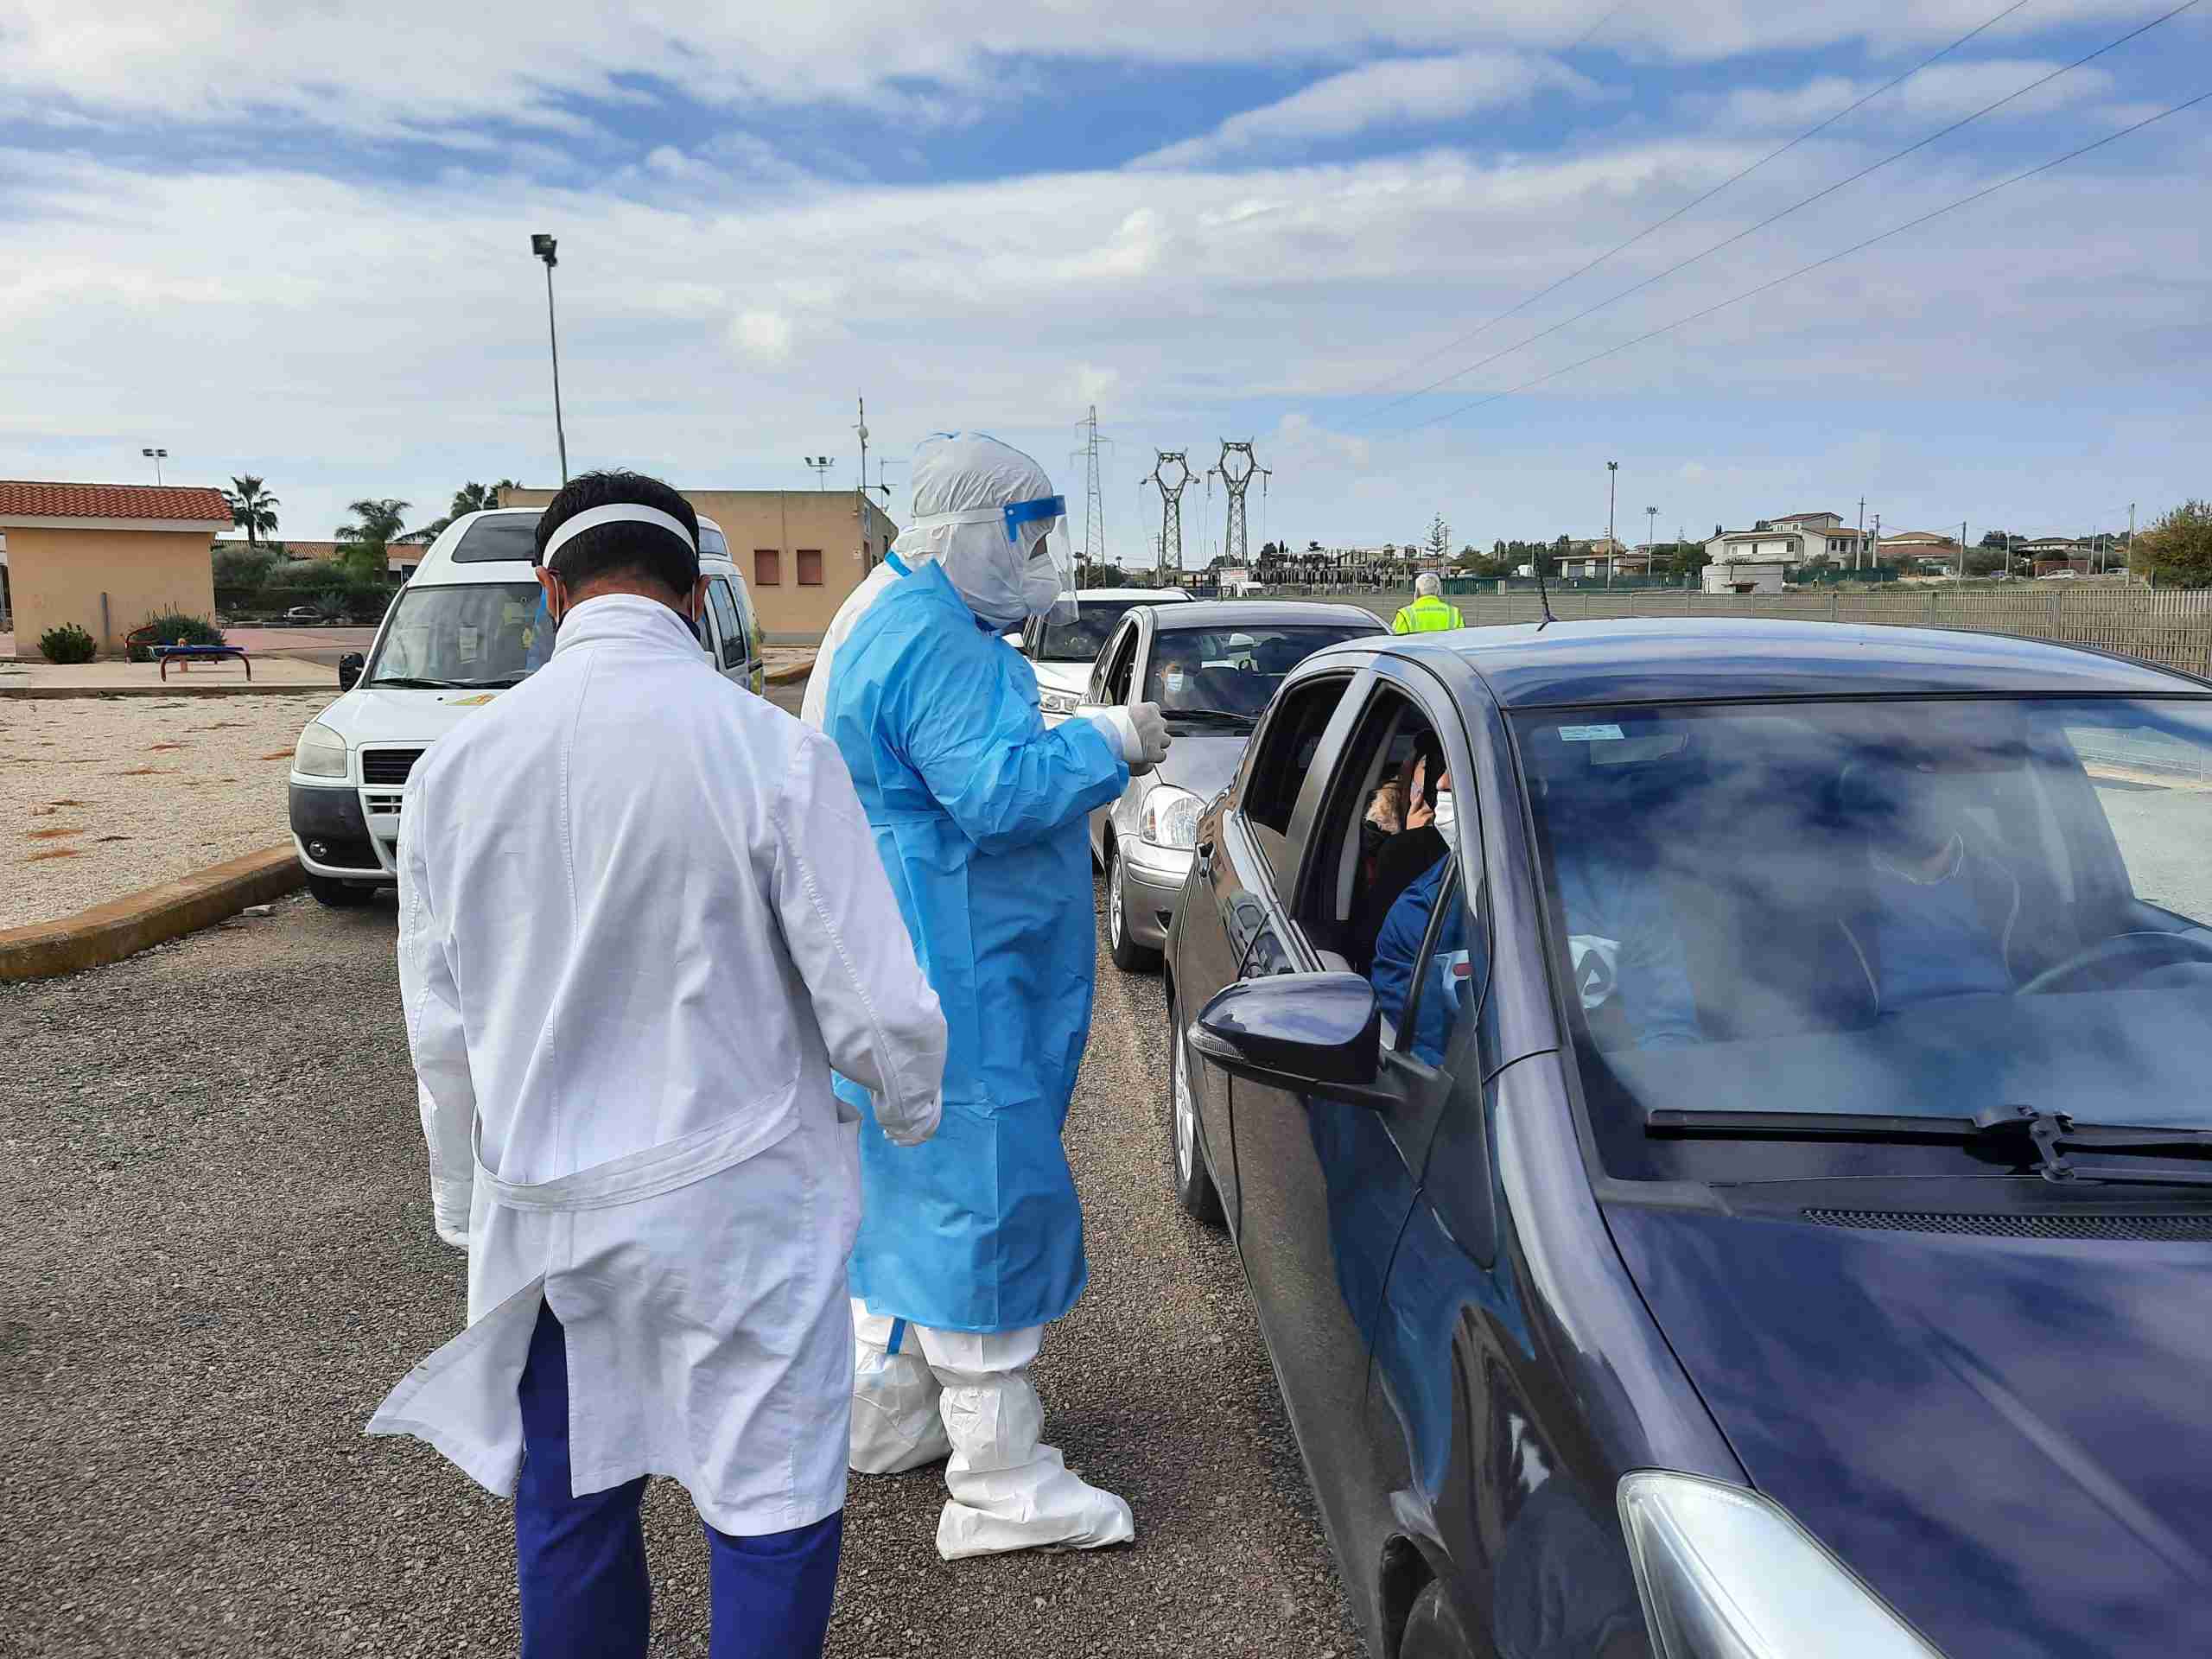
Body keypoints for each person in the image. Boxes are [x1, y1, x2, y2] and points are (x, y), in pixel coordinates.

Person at [368, 470, 948, 1658]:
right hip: (744, 1219)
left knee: (574, 1511)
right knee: (769, 1512)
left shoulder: (455, 777)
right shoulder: (769, 756)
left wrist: (462, 1209)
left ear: (550, 590)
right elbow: (875, 1003)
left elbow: (443, 1033)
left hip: (553, 1222)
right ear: (694, 597)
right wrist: (910, 1106)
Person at [804, 431, 1166, 1560]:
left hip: (917, 960)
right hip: (953, 973)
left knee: (915, 1194)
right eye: (1033, 538)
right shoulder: (931, 640)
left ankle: (890, 1416)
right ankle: (1000, 1478)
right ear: (970, 532)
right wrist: (1111, 738)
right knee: (982, 1194)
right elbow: (1001, 794)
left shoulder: (900, 615)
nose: (1044, 562)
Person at [1392, 571, 1465, 634]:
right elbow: (1460, 640)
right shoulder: (1454, 613)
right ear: (1438, 591)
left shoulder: (1405, 614)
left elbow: (1397, 642)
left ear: (1417, 591)